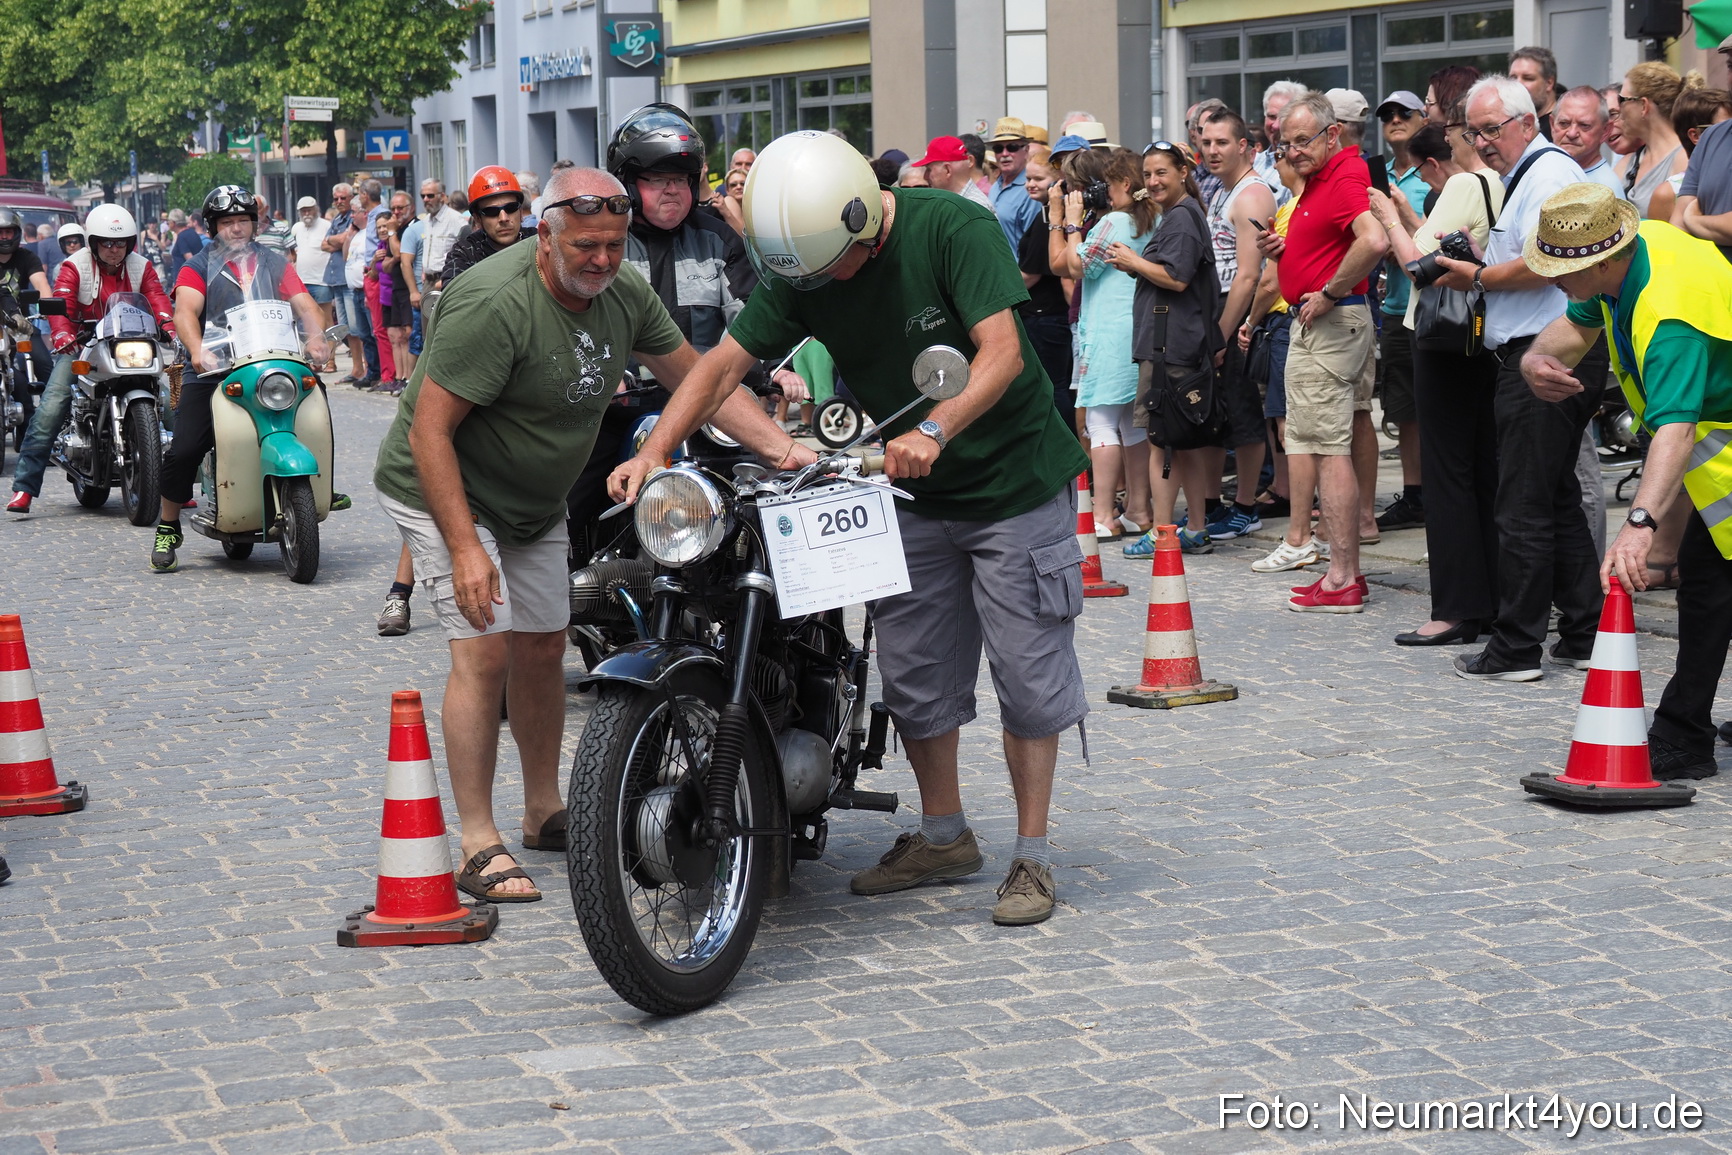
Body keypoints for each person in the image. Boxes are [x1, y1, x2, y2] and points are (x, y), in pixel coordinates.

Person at [608, 130, 1092, 927]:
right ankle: (944, 835)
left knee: (1029, 674)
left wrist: (934, 430)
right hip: (908, 494)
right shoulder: (806, 261)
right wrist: (655, 450)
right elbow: (722, 364)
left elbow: (1001, 354)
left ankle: (1032, 855)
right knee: (911, 668)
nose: (823, 284)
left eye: (835, 264)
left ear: (865, 220)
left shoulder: (953, 230)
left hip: (1013, 483)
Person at [370, 165, 809, 902]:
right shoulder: (492, 302)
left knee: (544, 641)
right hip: (448, 490)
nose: (602, 261)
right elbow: (428, 432)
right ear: (546, 237)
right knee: (484, 649)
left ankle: (543, 808)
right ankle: (478, 842)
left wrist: (780, 448)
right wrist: (467, 548)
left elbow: (695, 379)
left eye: (613, 245)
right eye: (586, 248)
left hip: (533, 500)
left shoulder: (624, 293)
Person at [1519, 184, 1730, 778]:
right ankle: (1683, 732)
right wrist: (1535, 358)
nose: (1552, 278)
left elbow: (1677, 432)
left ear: (1603, 260)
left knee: (1710, 588)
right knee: (1711, 589)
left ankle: (1682, 737)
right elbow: (1572, 326)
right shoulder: (1628, 262)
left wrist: (1639, 526)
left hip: (1711, 445)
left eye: (1562, 269)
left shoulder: (1668, 313)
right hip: (1720, 451)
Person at [1429, 74, 1595, 681]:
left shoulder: (1547, 173)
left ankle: (1518, 648)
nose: (1483, 141)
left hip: (1544, 348)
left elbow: (1543, 262)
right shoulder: (1531, 174)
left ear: (1528, 122)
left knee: (1523, 504)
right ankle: (1581, 632)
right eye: (1474, 132)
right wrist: (1481, 261)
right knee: (1554, 499)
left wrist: (1473, 276)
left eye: (1492, 129)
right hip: (1549, 343)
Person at [1369, 121, 1503, 646]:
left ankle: (1454, 610)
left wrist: (1386, 216)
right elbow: (1447, 244)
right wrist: (1408, 216)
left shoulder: (1467, 184)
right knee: (1482, 472)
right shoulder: (1499, 183)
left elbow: (1418, 265)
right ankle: (1487, 600)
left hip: (1443, 341)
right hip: (1481, 337)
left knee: (1448, 476)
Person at [151, 186, 331, 572]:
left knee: (317, 403)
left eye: (243, 221)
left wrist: (317, 337)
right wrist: (197, 349)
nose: (236, 229)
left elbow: (304, 303)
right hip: (216, 367)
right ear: (214, 227)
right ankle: (168, 525)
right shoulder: (197, 265)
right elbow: (185, 310)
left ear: (254, 223)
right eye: (227, 222)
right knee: (185, 448)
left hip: (270, 361)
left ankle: (322, 486)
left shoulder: (274, 262)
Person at [1254, 92, 1388, 612]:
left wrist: (1329, 291)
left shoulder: (1345, 176)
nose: (1292, 152)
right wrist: (1290, 253)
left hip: (1331, 325)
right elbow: (1337, 239)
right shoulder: (1326, 178)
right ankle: (1342, 572)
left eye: (1302, 141)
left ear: (1332, 135)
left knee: (1325, 447)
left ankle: (1341, 578)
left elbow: (1372, 240)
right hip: (1334, 323)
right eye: (1285, 144)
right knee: (1332, 439)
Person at [7, 205, 174, 515]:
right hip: (84, 346)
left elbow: (158, 297)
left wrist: (167, 324)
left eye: (120, 243)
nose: (113, 249)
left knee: (170, 396)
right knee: (52, 404)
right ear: (94, 242)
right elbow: (62, 304)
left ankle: (177, 488)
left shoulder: (142, 266)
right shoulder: (74, 266)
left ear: (130, 243)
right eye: (106, 243)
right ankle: (24, 488)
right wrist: (61, 335)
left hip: (130, 345)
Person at [1109, 140, 1221, 535]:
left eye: (1162, 173)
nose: (1153, 182)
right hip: (1174, 344)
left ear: (1183, 173)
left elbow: (1177, 278)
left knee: (1162, 442)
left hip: (1170, 348)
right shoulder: (1181, 215)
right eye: (1148, 174)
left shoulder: (1181, 218)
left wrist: (1135, 261)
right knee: (1183, 443)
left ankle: (1162, 536)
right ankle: (1193, 530)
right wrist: (1136, 266)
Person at [1048, 147, 1156, 543]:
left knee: (1100, 423)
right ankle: (1139, 509)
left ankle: (1104, 513)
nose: (1103, 193)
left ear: (1124, 185)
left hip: (1110, 333)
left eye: (1108, 185)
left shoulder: (1112, 222)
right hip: (1137, 330)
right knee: (1131, 423)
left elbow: (1072, 265)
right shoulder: (1152, 218)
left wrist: (1068, 222)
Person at [1191, 106, 1277, 547]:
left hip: (1237, 311)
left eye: (1222, 142)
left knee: (1243, 416)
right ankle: (1219, 504)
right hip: (1218, 308)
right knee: (1216, 415)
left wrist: (1222, 333)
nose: (1212, 150)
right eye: (1206, 142)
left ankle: (1246, 508)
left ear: (1244, 146)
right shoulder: (1224, 191)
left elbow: (1249, 274)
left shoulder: (1250, 194)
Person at [1371, 90, 1434, 534]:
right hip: (1395, 306)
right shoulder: (1379, 176)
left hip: (1433, 302)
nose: (1394, 120)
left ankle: (1439, 489)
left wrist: (1403, 228)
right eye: (1387, 115)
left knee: (1437, 404)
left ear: (1423, 117)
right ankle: (1415, 494)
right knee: (1405, 408)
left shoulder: (1433, 170)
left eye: (1404, 113)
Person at [1019, 146, 1073, 422]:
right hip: (1049, 315)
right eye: (1027, 179)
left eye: (1038, 179)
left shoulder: (1049, 217)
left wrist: (1000, 291)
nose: (1030, 184)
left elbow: (1030, 274)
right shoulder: (1046, 213)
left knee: (1054, 386)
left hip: (1045, 316)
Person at [1618, 64, 1696, 219]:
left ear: (1644, 106)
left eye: (1622, 99)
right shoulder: (1626, 163)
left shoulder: (1685, 160)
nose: (1618, 109)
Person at [1672, 92, 1732, 261]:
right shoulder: (1711, 137)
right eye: (1729, 66)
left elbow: (1685, 218)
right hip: (1711, 280)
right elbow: (1677, 228)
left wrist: (1693, 220)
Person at [986, 117, 1042, 253]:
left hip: (1018, 272)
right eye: (998, 148)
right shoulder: (995, 186)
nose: (1005, 154)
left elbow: (1035, 247)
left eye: (1012, 147)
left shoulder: (1032, 189)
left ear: (1026, 150)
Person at [1554, 87, 1624, 196]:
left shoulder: (1605, 191)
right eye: (1564, 123)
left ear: (1605, 131)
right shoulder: (1545, 171)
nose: (1572, 133)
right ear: (1552, 125)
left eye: (1584, 126)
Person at [290, 196, 336, 345]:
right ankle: (313, 355)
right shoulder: (297, 228)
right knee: (307, 321)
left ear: (316, 210)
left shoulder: (327, 226)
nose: (307, 213)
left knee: (326, 319)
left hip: (321, 280)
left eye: (309, 210)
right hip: (302, 281)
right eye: (303, 211)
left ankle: (330, 359)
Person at [912, 136, 994, 210]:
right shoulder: (957, 203)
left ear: (948, 170)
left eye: (929, 169)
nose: (925, 176)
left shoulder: (974, 207)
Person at [1258, 81, 1309, 199]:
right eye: (1271, 117)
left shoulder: (1304, 168)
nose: (1275, 125)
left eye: (1283, 118)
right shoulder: (1253, 162)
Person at [1508, 46, 1560, 139]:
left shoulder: (1561, 128)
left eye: (1528, 78)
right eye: (1513, 78)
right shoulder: (1513, 124)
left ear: (1549, 83)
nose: (1518, 84)